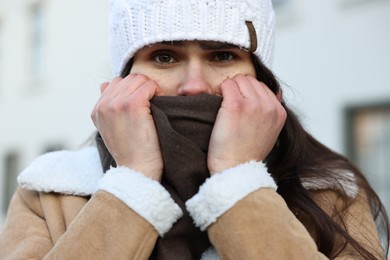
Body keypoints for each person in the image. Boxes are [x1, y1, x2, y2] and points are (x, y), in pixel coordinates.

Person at [0, 0, 389, 259]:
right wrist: (132, 182)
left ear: (263, 82)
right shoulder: (50, 192)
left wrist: (240, 184)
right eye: (164, 56)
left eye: (222, 55)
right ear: (122, 82)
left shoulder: (329, 192)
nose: (194, 85)